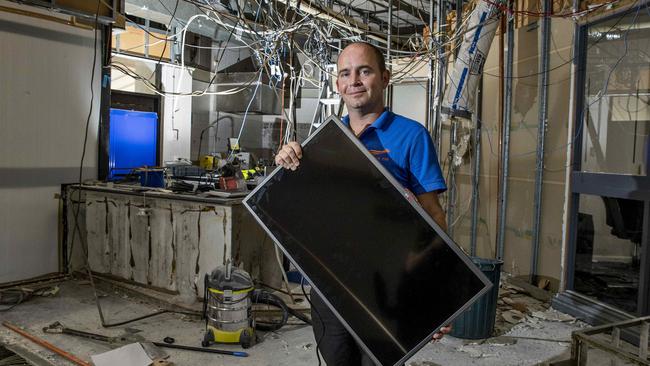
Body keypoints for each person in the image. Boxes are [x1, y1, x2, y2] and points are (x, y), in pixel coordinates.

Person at [275, 41, 450, 365]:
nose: (354, 80)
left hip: (389, 286)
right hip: (332, 280)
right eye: (346, 73)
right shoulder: (324, 140)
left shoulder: (412, 136)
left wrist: (436, 290)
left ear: (385, 78)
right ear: (338, 84)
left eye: (364, 71)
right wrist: (288, 162)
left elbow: (433, 215)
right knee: (336, 359)